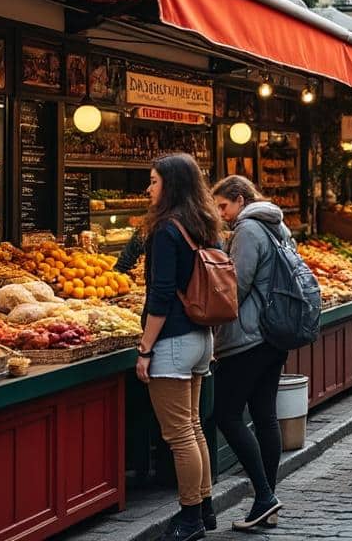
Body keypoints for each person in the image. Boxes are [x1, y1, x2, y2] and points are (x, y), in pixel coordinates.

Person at [134, 153, 222, 541]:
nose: (149, 188)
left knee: (179, 435)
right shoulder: (204, 223)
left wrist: (145, 348)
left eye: (153, 181)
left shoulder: (167, 230)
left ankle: (189, 519)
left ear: (170, 184)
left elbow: (161, 294)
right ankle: (204, 507)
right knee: (193, 427)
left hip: (171, 340)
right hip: (201, 338)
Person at [205, 176, 290, 529]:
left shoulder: (249, 230)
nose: (222, 214)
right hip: (273, 335)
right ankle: (266, 499)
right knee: (265, 414)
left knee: (226, 415)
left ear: (239, 199)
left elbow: (234, 287)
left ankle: (264, 495)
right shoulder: (278, 227)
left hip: (248, 337)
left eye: (223, 206)